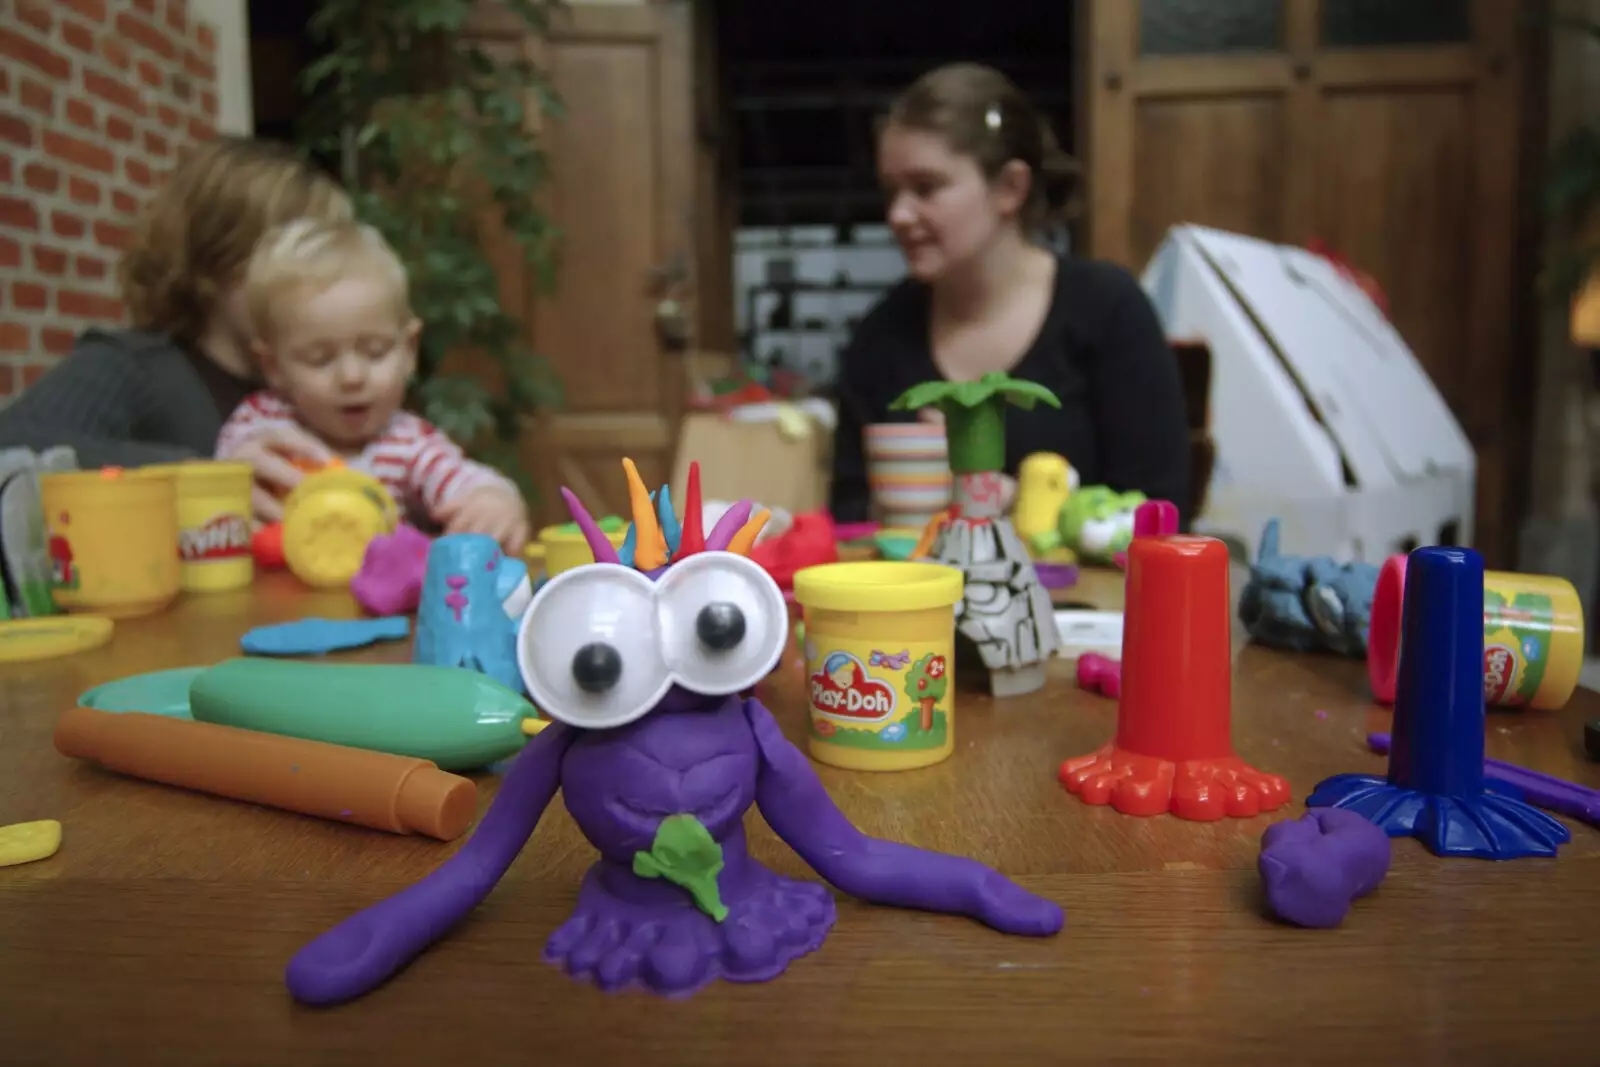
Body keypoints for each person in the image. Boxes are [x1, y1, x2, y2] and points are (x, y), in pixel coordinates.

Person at [829, 63, 1192, 526]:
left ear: (1009, 188)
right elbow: (847, 514)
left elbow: (1161, 510)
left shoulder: (1107, 309)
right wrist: (893, 503)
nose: (898, 215)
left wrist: (1017, 503)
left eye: (926, 187)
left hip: (1087, 599)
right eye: (891, 191)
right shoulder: (879, 337)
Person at [0, 136, 351, 500]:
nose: (318, 279)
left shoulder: (314, 384)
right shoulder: (133, 367)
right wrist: (205, 480)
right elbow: (11, 444)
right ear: (217, 257)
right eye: (297, 256)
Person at [217, 218, 529, 553]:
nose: (352, 377)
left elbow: (466, 480)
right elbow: (222, 476)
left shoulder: (408, 442)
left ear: (409, 351)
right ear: (273, 367)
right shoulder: (262, 423)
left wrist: (495, 499)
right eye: (320, 359)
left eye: (375, 352)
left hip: (377, 604)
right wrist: (229, 479)